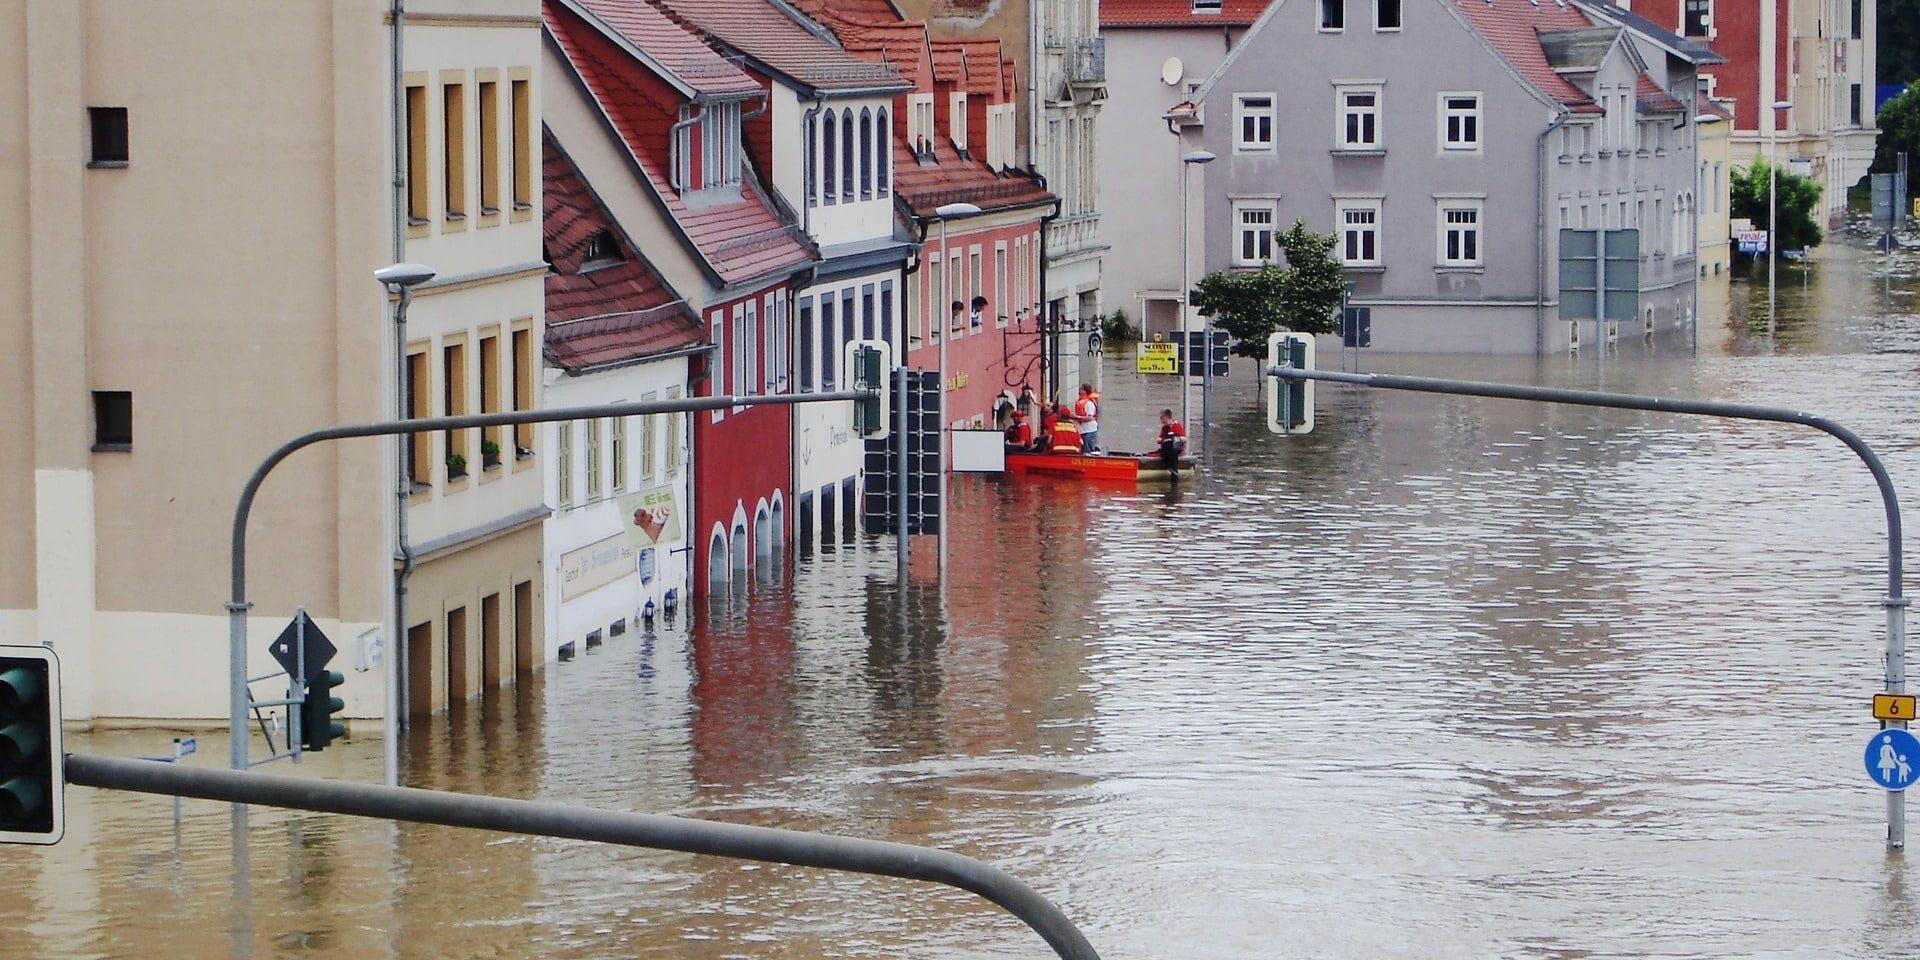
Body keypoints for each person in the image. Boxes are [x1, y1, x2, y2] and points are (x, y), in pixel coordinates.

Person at [1071, 383, 1100, 454]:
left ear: (1085, 391)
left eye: (1081, 389)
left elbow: (1090, 417)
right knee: (1084, 447)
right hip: (1082, 429)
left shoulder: (1089, 403)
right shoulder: (1080, 401)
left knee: (1088, 448)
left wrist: (1077, 417)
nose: (1079, 391)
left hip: (1090, 429)